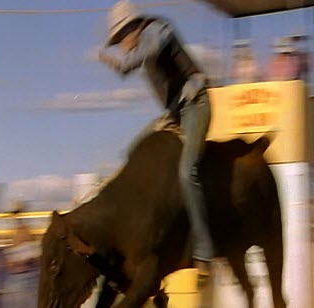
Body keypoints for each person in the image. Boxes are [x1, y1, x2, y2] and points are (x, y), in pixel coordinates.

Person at [98, 0, 214, 279]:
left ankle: (204, 249)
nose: (121, 44)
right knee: (134, 152)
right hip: (176, 112)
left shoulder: (157, 31)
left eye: (120, 38)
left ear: (133, 28)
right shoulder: (141, 44)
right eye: (116, 41)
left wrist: (116, 62)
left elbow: (142, 54)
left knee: (187, 172)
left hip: (196, 105)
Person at [1, 204, 40, 308]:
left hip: (24, 279)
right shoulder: (18, 234)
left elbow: (33, 257)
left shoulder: (23, 233)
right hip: (20, 279)